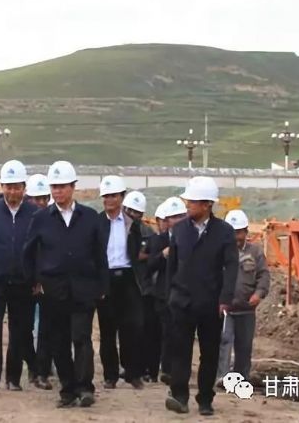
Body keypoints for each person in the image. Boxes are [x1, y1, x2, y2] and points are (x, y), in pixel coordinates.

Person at [24, 161, 109, 408]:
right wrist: (34, 281)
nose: (57, 191)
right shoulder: (41, 218)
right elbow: (28, 252)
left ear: (73, 187)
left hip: (83, 288)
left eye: (62, 186)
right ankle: (68, 388)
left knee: (82, 338)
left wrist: (102, 286)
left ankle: (85, 387)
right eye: (54, 187)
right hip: (53, 290)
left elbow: (99, 254)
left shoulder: (90, 217)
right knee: (58, 341)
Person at [165, 176, 239, 417]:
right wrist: (170, 295)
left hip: (211, 303)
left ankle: (205, 398)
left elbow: (231, 267)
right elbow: (172, 266)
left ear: (207, 204)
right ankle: (179, 396)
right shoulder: (179, 230)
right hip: (182, 301)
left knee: (209, 353)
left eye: (192, 201)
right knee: (180, 351)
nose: (187, 205)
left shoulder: (224, 232)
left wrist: (225, 299)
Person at [0, 160, 37, 391]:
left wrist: (36, 278)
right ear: (2, 187)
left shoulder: (34, 213)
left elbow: (38, 249)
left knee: (19, 330)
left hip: (23, 281)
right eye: (8, 187)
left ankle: (13, 377)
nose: (12, 192)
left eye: (17, 187)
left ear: (24, 188)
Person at [95, 177, 144, 390]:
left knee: (131, 328)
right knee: (107, 330)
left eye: (113, 196)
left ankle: (132, 373)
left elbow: (139, 251)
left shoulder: (132, 224)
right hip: (105, 278)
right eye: (106, 196)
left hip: (127, 278)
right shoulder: (97, 223)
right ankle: (110, 375)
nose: (109, 200)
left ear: (121, 197)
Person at [217, 209, 270, 382]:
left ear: (246, 232)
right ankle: (222, 376)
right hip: (224, 308)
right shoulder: (219, 251)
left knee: (244, 346)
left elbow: (263, 275)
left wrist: (258, 294)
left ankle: (241, 378)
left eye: (239, 232)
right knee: (224, 341)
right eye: (232, 232)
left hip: (246, 309)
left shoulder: (255, 252)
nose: (236, 237)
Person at [145, 196, 187, 385]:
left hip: (184, 292)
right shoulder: (159, 240)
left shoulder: (191, 239)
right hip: (163, 294)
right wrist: (162, 255)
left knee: (180, 333)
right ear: (167, 221)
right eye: (174, 217)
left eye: (181, 216)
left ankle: (174, 369)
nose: (178, 220)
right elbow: (149, 265)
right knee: (163, 332)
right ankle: (160, 370)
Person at [119, 189, 156, 384]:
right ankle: (126, 366)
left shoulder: (147, 232)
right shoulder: (114, 228)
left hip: (141, 286)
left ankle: (139, 368)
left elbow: (152, 256)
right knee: (123, 329)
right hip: (120, 284)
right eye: (129, 211)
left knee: (140, 328)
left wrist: (143, 256)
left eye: (136, 212)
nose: (132, 215)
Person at [24, 173, 52, 390]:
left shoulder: (53, 219)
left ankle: (43, 369)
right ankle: (32, 365)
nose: (41, 202)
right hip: (25, 281)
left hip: (47, 282)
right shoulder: (21, 220)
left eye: (44, 198)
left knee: (44, 328)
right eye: (37, 198)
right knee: (25, 328)